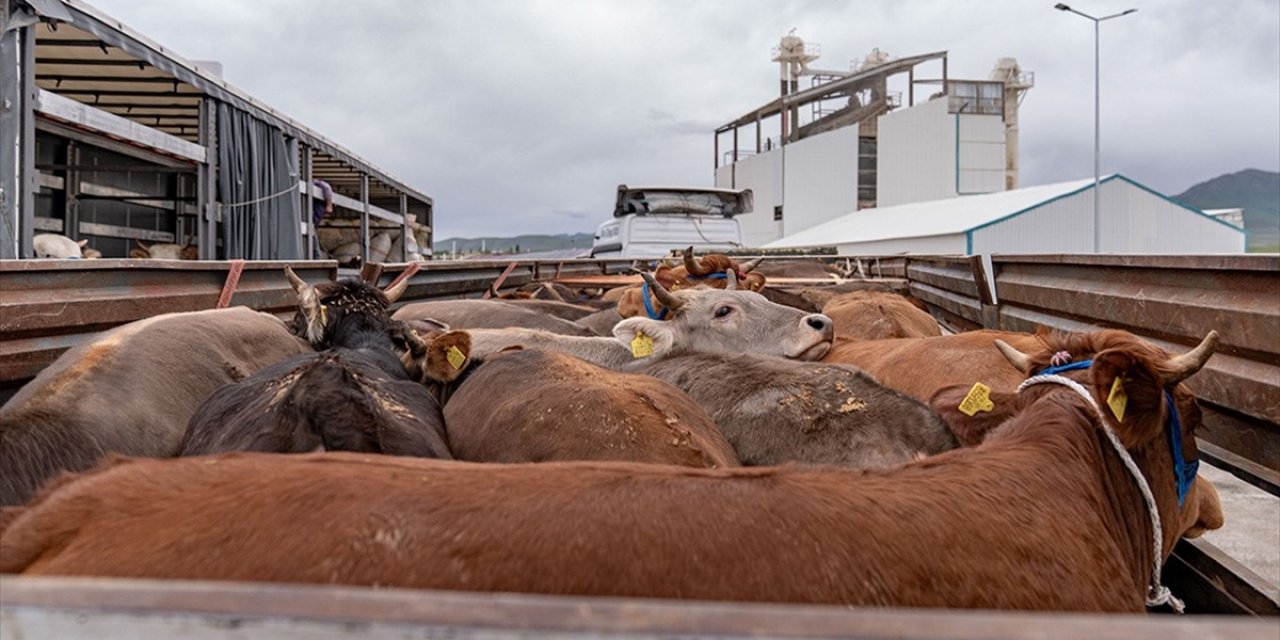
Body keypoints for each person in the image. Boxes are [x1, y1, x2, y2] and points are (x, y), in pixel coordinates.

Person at [311, 179, 333, 258]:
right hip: (311, 226)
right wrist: (329, 204)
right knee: (316, 253)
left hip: (313, 226)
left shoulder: (320, 206)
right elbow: (326, 186)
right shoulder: (318, 185)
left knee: (316, 251)